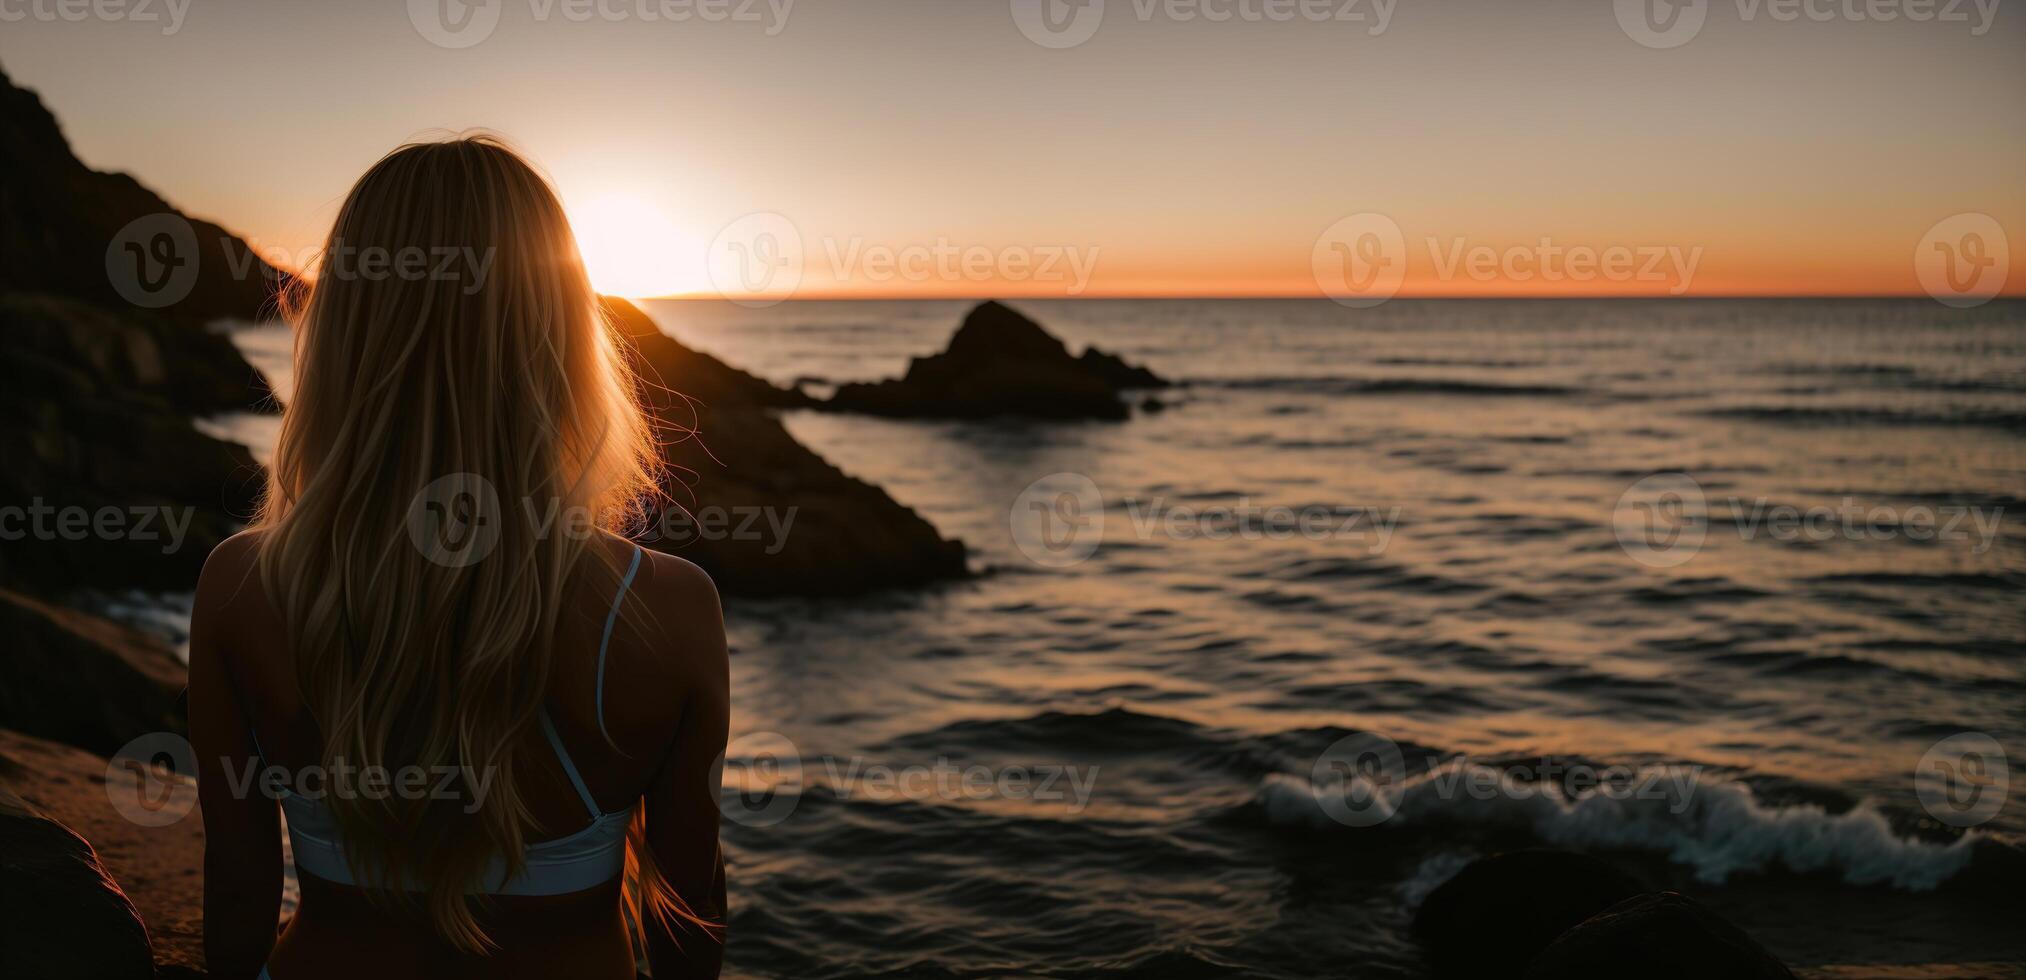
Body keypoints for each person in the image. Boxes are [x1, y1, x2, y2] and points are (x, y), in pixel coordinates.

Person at [186, 135, 728, 980]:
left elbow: (238, 897)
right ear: (559, 336)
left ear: (342, 336)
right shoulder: (673, 609)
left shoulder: (241, 588)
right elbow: (691, 924)